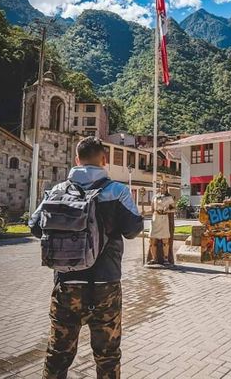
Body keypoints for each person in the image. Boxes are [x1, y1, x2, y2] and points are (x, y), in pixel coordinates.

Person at [29, 136, 144, 379]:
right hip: (106, 287)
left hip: (66, 286)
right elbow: (133, 230)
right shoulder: (117, 191)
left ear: (76, 160)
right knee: (107, 354)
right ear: (104, 160)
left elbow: (35, 226)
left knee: (58, 353)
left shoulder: (58, 190)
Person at [147, 182, 176, 266]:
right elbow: (152, 209)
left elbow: (173, 208)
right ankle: (154, 259)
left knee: (165, 240)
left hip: (164, 219)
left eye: (164, 186)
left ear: (167, 187)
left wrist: (167, 209)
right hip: (155, 219)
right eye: (161, 186)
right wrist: (144, 212)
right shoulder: (155, 197)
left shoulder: (169, 197)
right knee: (152, 240)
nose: (162, 187)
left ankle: (166, 259)